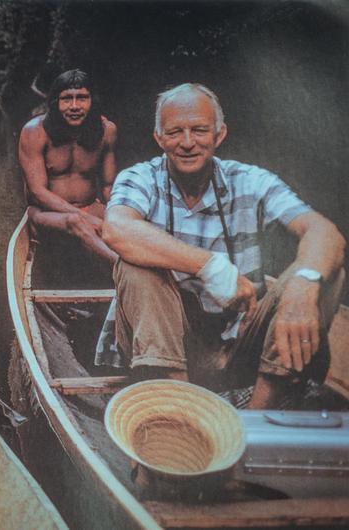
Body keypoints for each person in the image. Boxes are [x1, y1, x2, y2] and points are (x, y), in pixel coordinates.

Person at [100, 83, 346, 408]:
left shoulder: (250, 180)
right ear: (159, 138)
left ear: (219, 134)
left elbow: (324, 231)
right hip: (169, 347)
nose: (188, 143)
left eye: (200, 130)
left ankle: (256, 419)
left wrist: (303, 287)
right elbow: (117, 228)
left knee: (324, 272)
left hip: (240, 342)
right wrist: (211, 267)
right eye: (175, 132)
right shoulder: (140, 178)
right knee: (133, 265)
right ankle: (186, 412)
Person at [18, 69, 118, 265]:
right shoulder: (35, 132)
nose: (74, 106)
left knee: (132, 224)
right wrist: (83, 217)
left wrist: (120, 215)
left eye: (81, 98)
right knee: (76, 222)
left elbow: (108, 186)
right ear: (56, 103)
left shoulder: (107, 131)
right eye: (66, 99)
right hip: (45, 216)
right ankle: (122, 268)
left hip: (90, 208)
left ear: (92, 101)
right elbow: (37, 192)